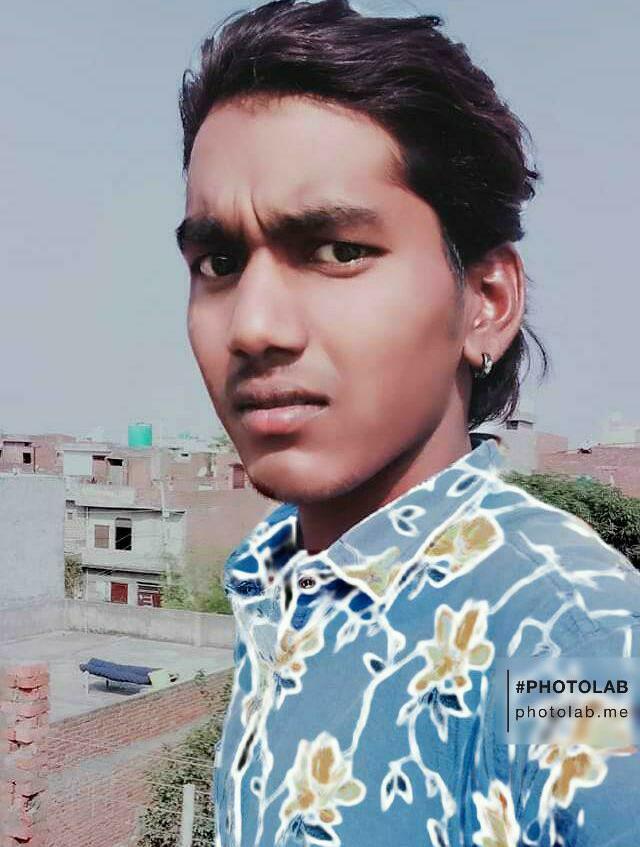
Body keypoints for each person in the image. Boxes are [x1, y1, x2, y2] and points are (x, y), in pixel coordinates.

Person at [175, 2, 640, 844]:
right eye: (220, 261)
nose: (253, 325)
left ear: (485, 302)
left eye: (338, 251)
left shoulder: (569, 643)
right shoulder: (278, 584)